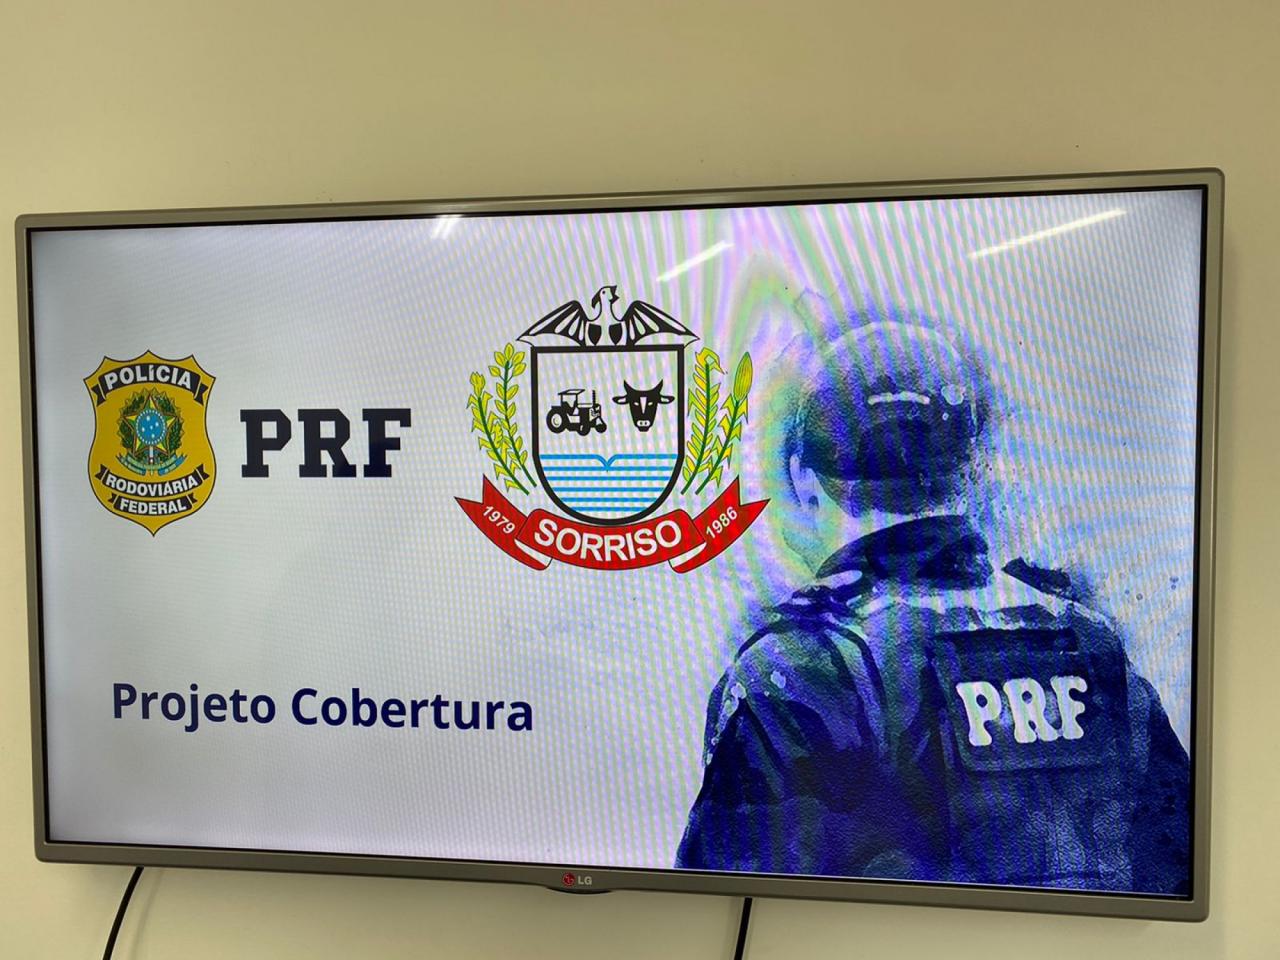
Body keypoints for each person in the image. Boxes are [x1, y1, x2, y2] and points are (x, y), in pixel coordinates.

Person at [676, 318, 1190, 895]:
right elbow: (1175, 864)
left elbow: (725, 895)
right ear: (971, 465)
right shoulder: (1088, 639)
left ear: (804, 477)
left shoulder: (800, 667)